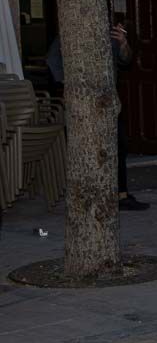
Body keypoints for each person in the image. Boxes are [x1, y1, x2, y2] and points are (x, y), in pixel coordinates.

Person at [47, 22, 150, 210]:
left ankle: (121, 194)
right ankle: (92, 194)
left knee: (119, 145)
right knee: (89, 148)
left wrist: (124, 43)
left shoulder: (108, 32)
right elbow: (52, 60)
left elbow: (126, 60)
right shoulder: (69, 30)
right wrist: (67, 86)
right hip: (82, 102)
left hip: (108, 100)